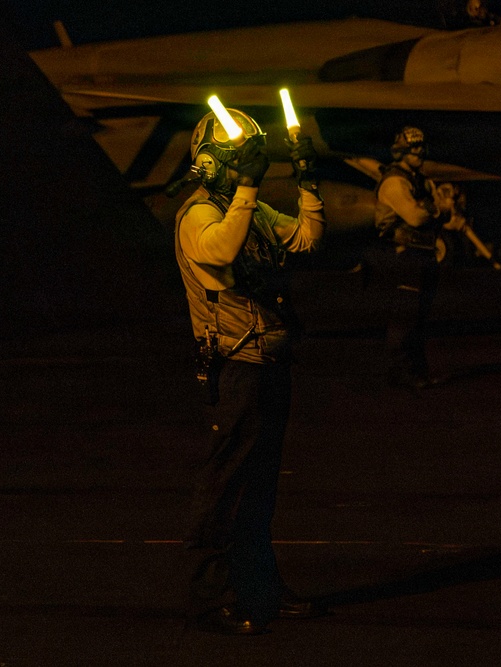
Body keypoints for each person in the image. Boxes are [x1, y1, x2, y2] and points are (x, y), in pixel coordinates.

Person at [173, 106, 327, 635]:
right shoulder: (198, 215)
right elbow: (220, 251)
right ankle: (209, 596)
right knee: (225, 485)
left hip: (268, 366)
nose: (249, 167)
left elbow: (306, 238)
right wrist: (245, 190)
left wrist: (307, 179)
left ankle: (260, 586)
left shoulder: (250, 209)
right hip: (236, 370)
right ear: (212, 163)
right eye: (239, 159)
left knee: (259, 488)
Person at [373, 126, 460, 389]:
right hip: (403, 256)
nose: (420, 152)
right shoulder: (395, 182)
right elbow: (416, 216)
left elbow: (438, 214)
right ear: (401, 152)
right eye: (414, 148)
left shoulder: (420, 180)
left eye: (421, 147)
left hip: (423, 254)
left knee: (419, 317)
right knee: (405, 316)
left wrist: (435, 210)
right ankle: (400, 374)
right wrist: (438, 208)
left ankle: (417, 373)